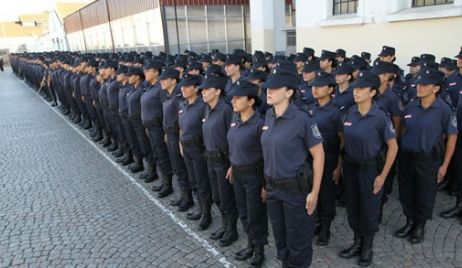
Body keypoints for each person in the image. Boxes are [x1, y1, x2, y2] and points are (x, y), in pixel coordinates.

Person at [261, 61, 325, 268]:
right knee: (281, 240)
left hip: (295, 192)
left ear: (289, 92)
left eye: (274, 88)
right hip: (273, 189)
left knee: (298, 243)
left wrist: (314, 192)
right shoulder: (269, 116)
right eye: (268, 88)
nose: (268, 92)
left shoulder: (302, 119)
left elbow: (319, 155)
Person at [339, 71, 398, 267]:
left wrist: (383, 175)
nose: (356, 92)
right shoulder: (349, 112)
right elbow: (343, 140)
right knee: (353, 206)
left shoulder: (380, 116)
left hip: (370, 169)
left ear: (372, 92)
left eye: (361, 89)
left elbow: (393, 146)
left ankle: (367, 247)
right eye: (355, 88)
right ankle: (356, 242)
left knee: (369, 208)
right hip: (350, 167)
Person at [395, 68, 458, 243]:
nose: (419, 87)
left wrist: (444, 165)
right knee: (406, 191)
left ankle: (419, 226)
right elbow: (403, 129)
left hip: (428, 158)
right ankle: (409, 221)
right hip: (407, 156)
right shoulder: (411, 105)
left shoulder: (443, 109)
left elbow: (452, 137)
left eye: (425, 84)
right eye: (419, 83)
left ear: (436, 88)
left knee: (424, 193)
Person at [226, 80, 268, 266]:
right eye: (232, 98)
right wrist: (231, 165)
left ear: (251, 101)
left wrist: (266, 185)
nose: (233, 101)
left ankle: (259, 250)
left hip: (254, 175)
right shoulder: (235, 120)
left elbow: (268, 156)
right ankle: (250, 244)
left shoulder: (260, 124)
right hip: (238, 173)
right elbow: (233, 147)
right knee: (243, 212)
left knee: (255, 214)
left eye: (238, 98)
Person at [201, 72, 239, 247]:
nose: (203, 92)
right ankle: (225, 225)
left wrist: (232, 164)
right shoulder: (208, 109)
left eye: (207, 89)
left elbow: (232, 138)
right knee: (217, 196)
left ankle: (232, 229)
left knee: (226, 198)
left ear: (217, 91)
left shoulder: (225, 110)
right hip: (210, 159)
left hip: (223, 161)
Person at [306, 71, 343, 246]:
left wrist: (338, 166)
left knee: (326, 194)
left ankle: (326, 227)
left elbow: (342, 140)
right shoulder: (310, 107)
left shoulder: (335, 112)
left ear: (330, 89)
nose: (315, 89)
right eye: (314, 86)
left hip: (328, 158)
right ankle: (317, 221)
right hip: (310, 158)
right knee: (314, 191)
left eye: (320, 87)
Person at [178, 74, 213, 229]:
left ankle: (207, 213)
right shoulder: (183, 105)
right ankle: (200, 208)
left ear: (195, 89)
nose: (183, 89)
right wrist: (180, 143)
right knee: (193, 181)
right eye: (182, 87)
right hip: (186, 147)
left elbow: (206, 130)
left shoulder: (202, 106)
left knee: (202, 181)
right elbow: (181, 127)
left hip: (198, 148)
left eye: (187, 87)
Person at [159, 68, 193, 211]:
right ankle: (183, 194)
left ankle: (188, 197)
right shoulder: (168, 95)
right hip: (170, 134)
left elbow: (181, 120)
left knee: (181, 167)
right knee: (176, 166)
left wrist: (179, 139)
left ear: (173, 80)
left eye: (165, 79)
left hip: (177, 135)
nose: (161, 81)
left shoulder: (178, 96)